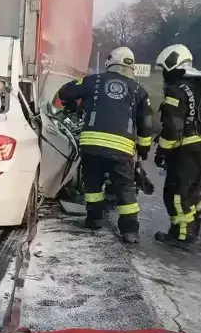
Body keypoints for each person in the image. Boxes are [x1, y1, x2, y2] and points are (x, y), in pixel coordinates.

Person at [57, 46, 153, 243]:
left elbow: (64, 92)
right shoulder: (139, 91)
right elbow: (146, 124)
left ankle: (94, 220)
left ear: (110, 62)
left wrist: (73, 106)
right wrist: (143, 150)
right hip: (122, 149)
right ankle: (130, 231)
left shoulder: (94, 80)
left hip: (91, 145)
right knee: (125, 188)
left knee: (92, 185)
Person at [153, 44, 201, 247]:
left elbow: (172, 127)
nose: (164, 74)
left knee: (176, 194)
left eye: (164, 68)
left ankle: (183, 236)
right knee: (191, 193)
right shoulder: (200, 84)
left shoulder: (176, 90)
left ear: (173, 66)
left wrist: (162, 151)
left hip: (189, 153)